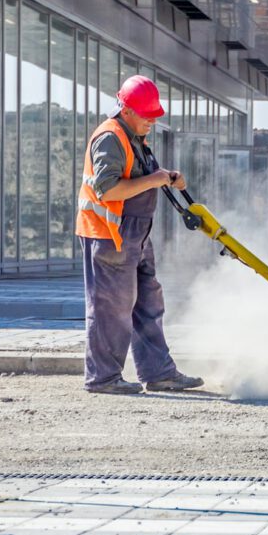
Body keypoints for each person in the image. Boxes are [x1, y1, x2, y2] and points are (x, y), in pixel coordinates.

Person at [75, 75, 204, 395]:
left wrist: (165, 178)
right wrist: (157, 178)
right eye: (146, 115)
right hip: (109, 235)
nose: (152, 121)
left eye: (154, 115)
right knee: (111, 308)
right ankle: (103, 378)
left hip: (135, 234)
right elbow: (108, 190)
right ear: (126, 109)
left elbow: (138, 177)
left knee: (148, 302)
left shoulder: (133, 137)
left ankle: (159, 373)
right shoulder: (110, 137)